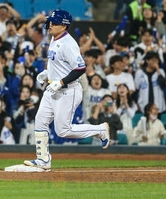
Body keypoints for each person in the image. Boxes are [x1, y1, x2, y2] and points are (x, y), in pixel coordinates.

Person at [13, 10, 110, 171]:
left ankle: (99, 130)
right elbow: (57, 63)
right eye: (50, 21)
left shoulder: (69, 44)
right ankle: (43, 159)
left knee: (63, 130)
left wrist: (61, 81)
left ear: (64, 26)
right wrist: (48, 74)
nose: (50, 24)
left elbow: (80, 68)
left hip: (68, 90)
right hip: (53, 88)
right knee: (40, 120)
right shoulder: (54, 37)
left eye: (54, 22)